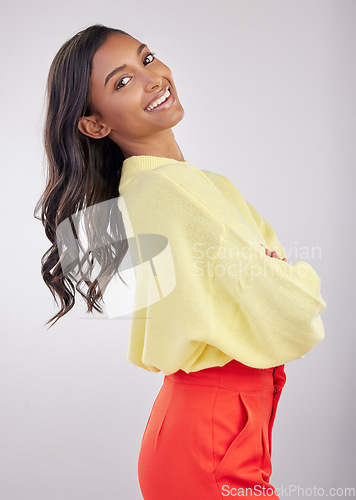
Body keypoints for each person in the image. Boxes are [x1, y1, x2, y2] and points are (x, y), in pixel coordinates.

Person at [35, 24, 327, 499]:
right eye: (121, 82)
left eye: (146, 58)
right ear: (94, 124)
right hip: (210, 441)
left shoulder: (195, 185)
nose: (152, 78)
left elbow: (273, 291)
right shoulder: (169, 192)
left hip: (215, 428)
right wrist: (291, 277)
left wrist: (276, 276)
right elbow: (294, 314)